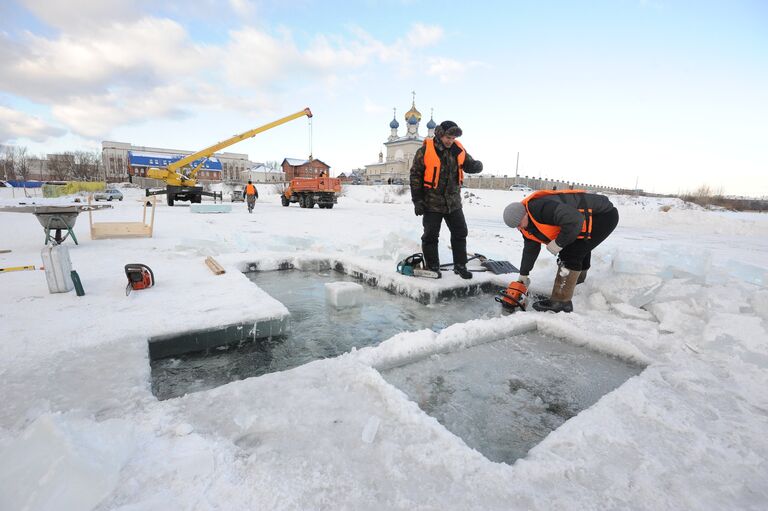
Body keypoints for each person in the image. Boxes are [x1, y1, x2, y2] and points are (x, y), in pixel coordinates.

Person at [503, 190, 619, 312]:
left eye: (519, 224)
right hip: (584, 219)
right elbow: (530, 249)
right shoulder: (526, 225)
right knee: (578, 247)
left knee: (570, 253)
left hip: (602, 216)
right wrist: (524, 274)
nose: (519, 228)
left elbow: (575, 220)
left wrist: (558, 243)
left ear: (525, 214)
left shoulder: (541, 209)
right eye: (516, 227)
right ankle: (578, 284)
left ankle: (561, 302)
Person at [410, 120, 483, 279]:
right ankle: (433, 266)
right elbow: (415, 176)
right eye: (448, 137)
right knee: (430, 236)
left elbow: (468, 164)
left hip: (453, 202)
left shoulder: (457, 149)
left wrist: (476, 166)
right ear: (440, 134)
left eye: (453, 138)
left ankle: (460, 265)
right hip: (432, 203)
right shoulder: (425, 151)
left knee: (460, 232)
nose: (450, 141)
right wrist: (417, 201)